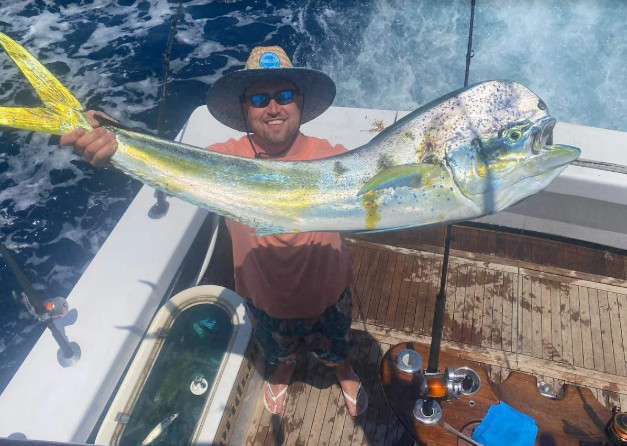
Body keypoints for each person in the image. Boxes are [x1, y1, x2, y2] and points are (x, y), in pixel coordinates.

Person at [59, 46, 368, 417]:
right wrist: (115, 138)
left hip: (330, 294)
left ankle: (343, 370)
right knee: (279, 351)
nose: (273, 108)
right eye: (260, 99)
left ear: (300, 101)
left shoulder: (334, 159)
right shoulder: (224, 158)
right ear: (245, 109)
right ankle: (283, 370)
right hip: (265, 299)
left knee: (336, 346)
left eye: (284, 95)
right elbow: (170, 164)